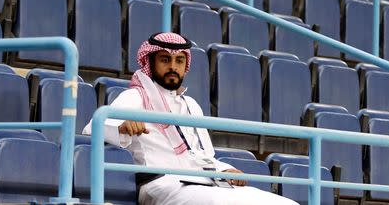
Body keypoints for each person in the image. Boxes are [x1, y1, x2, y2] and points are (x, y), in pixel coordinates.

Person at [82, 32, 299, 205]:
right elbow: (93, 127)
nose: (172, 67)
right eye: (165, 60)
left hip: (205, 182)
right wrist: (121, 126)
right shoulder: (135, 97)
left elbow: (201, 156)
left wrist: (224, 169)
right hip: (161, 184)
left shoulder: (191, 105)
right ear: (151, 62)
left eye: (179, 60)